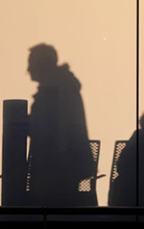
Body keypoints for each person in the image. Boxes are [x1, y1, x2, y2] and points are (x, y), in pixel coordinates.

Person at [26, 44, 94, 206]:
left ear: (40, 65)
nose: (28, 69)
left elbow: (48, 129)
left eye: (30, 63)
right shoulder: (64, 87)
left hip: (55, 169)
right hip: (67, 166)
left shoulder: (53, 91)